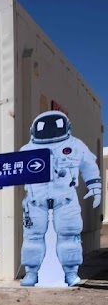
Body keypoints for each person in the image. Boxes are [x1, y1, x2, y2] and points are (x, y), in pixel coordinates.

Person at [19, 111, 102, 287]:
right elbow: (13, 172)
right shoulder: (27, 150)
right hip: (35, 200)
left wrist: (95, 186)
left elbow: (89, 165)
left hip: (65, 198)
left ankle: (71, 272)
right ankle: (31, 273)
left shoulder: (75, 145)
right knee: (32, 238)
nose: (49, 130)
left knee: (69, 236)